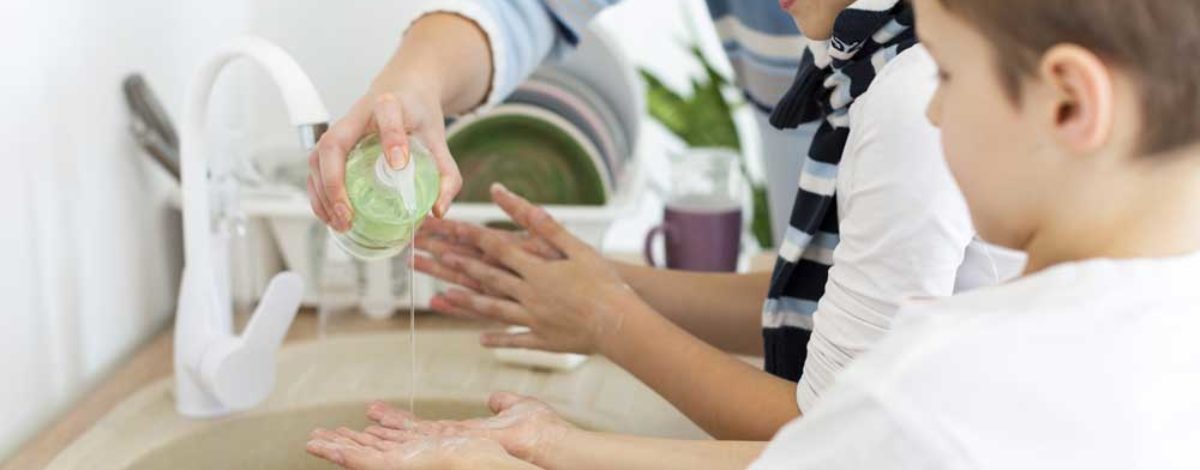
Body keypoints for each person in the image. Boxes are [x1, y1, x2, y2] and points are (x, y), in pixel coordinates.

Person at [306, 0, 1200, 468]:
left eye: (952, 75)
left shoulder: (939, 385)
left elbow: (823, 433)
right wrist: (556, 438)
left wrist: (535, 443)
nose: (935, 102)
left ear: (1072, 101)